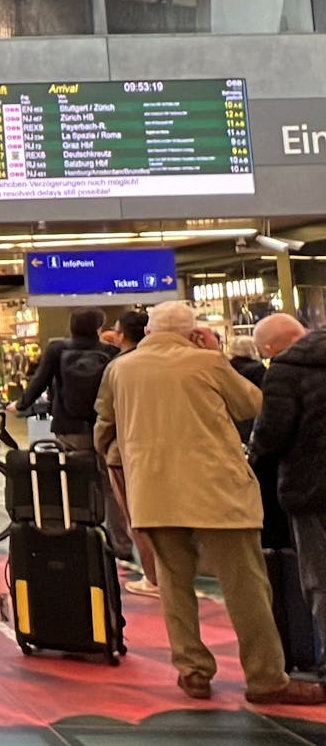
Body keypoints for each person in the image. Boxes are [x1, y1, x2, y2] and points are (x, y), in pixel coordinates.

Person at [96, 302, 324, 705]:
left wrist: (127, 460)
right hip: (218, 491)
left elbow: (104, 427)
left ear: (149, 331)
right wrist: (214, 355)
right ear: (192, 332)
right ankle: (266, 677)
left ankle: (193, 671)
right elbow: (253, 405)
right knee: (246, 585)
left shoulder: (120, 369)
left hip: (154, 492)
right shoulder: (207, 364)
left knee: (174, 584)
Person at [16, 308, 129, 549]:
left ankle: (74, 533)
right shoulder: (110, 352)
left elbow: (40, 380)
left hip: (68, 425)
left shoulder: (58, 349)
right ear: (99, 328)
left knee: (70, 479)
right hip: (105, 426)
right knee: (109, 485)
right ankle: (120, 542)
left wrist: (21, 404)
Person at [251, 313, 326, 658]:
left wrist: (255, 455)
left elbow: (274, 432)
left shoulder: (285, 369)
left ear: (268, 348)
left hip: (310, 487)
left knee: (320, 580)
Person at [94, 311, 160, 598]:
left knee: (139, 516)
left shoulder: (119, 367)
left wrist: (103, 446)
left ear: (122, 335)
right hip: (164, 449)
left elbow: (105, 415)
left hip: (126, 452)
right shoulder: (175, 362)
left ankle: (153, 578)